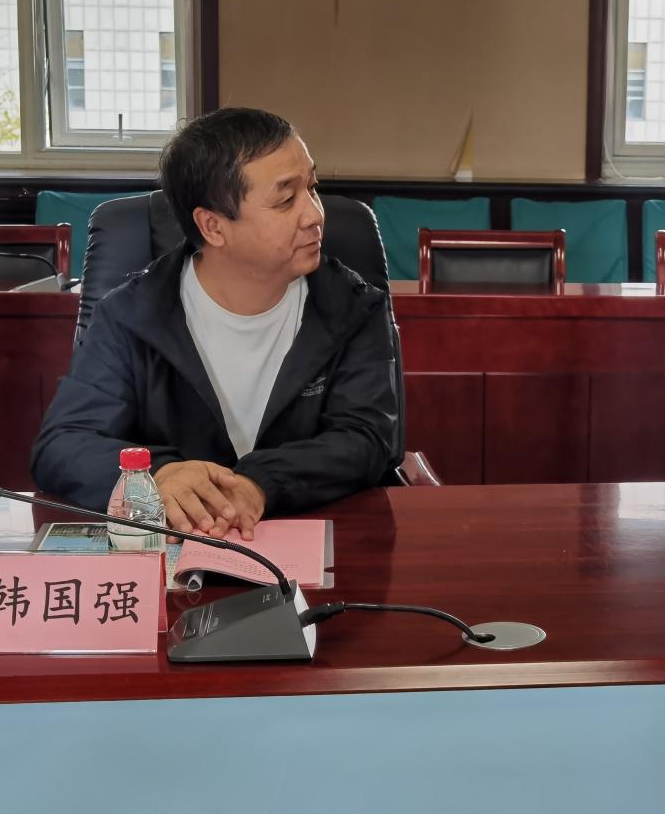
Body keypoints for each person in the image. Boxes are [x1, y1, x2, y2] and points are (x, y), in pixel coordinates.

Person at [32, 107, 399, 538]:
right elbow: (63, 444)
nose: (315, 214)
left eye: (312, 188)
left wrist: (260, 483)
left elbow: (368, 437)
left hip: (310, 540)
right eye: (286, 200)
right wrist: (161, 475)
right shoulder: (132, 315)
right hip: (173, 546)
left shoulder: (353, 308)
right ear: (212, 226)